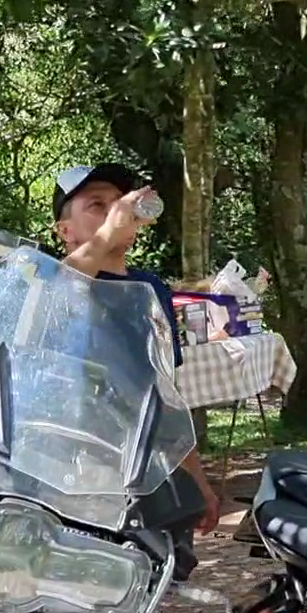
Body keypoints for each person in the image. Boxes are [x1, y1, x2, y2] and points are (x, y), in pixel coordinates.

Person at [51, 163, 221, 535]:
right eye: (97, 205)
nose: (116, 212)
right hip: (75, 471)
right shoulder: (57, 281)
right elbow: (63, 286)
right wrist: (110, 228)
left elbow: (165, 392)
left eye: (119, 203)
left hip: (145, 467)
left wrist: (198, 480)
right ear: (65, 231)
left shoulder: (149, 289)